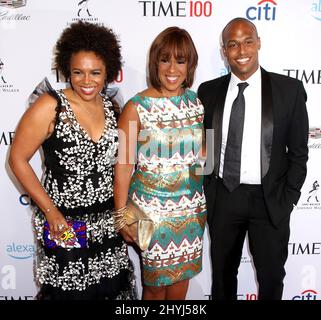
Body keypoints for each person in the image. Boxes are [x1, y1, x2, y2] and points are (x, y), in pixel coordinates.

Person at [8, 20, 136, 300]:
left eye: (95, 73)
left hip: (106, 223)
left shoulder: (112, 107)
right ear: (68, 69)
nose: (86, 81)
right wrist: (51, 212)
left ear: (108, 73)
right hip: (65, 224)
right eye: (78, 72)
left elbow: (122, 166)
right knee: (70, 290)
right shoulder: (50, 106)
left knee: (109, 291)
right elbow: (17, 158)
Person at [198, 17, 309, 300]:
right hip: (224, 198)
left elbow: (298, 152)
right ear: (224, 50)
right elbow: (205, 147)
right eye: (232, 44)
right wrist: (209, 192)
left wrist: (289, 198)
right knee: (222, 279)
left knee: (272, 278)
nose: (241, 50)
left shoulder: (289, 90)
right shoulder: (207, 92)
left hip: (270, 200)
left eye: (248, 41)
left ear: (258, 43)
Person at [114, 26, 207, 300]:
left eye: (181, 60)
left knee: (181, 286)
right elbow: (122, 165)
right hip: (151, 214)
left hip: (190, 212)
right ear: (155, 62)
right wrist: (121, 217)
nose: (172, 68)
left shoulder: (196, 103)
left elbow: (205, 157)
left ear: (190, 65)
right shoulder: (136, 107)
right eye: (165, 59)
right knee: (154, 288)